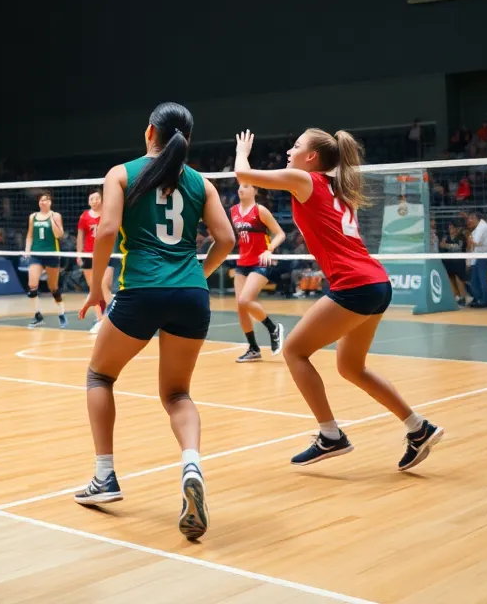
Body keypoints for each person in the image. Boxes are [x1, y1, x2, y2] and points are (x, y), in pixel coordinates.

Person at [234, 129, 443, 470]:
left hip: (355, 285)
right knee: (350, 367)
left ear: (312, 157)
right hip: (377, 283)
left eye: (297, 146)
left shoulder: (305, 180)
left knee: (294, 351)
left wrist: (243, 151)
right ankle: (418, 427)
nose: (290, 150)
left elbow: (243, 175)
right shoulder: (336, 190)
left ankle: (330, 435)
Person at [74, 103, 235, 541]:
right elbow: (227, 239)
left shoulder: (122, 174)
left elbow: (106, 230)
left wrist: (93, 287)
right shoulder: (203, 183)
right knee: (178, 393)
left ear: (149, 132)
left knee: (99, 376)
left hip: (141, 290)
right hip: (190, 294)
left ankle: (104, 476)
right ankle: (191, 465)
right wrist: (197, 276)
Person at [229, 183, 286, 363]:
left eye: (246, 186)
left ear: (254, 191)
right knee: (241, 306)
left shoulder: (260, 210)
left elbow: (280, 234)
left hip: (261, 262)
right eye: (239, 186)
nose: (241, 189)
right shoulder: (233, 211)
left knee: (246, 300)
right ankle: (253, 348)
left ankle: (273, 328)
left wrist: (269, 249)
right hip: (242, 263)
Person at [25, 191, 66, 328]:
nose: (44, 202)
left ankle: (61, 313)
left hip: (52, 254)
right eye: (42, 200)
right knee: (32, 286)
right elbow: (30, 235)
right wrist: (27, 250)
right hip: (36, 254)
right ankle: (38, 316)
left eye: (47, 200)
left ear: (51, 202)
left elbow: (59, 235)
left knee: (53, 287)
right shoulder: (33, 217)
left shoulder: (56, 215)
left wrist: (52, 221)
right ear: (38, 202)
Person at [76, 190, 114, 333]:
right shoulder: (84, 216)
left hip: (104, 254)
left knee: (104, 286)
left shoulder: (107, 214)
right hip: (88, 255)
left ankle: (108, 317)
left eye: (97, 198)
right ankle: (100, 320)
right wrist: (78, 254)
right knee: (93, 288)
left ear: (102, 200)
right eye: (92, 198)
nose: (94, 201)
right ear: (88, 201)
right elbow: (80, 236)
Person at [466, 210, 487, 308]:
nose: (469, 221)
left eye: (470, 219)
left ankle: (485, 300)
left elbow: (474, 242)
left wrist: (469, 237)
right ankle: (478, 299)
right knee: (474, 280)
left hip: (483, 256)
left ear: (474, 218)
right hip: (477, 256)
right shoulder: (478, 228)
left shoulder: (482, 227)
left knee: (482, 279)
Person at [439, 221, 469, 306]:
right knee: (450, 279)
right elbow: (441, 245)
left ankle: (463, 297)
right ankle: (456, 297)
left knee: (459, 279)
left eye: (452, 227)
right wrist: (443, 245)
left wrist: (447, 245)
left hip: (458, 261)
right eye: (449, 227)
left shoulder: (461, 237)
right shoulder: (446, 236)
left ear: (456, 228)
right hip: (448, 261)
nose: (450, 229)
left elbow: (458, 247)